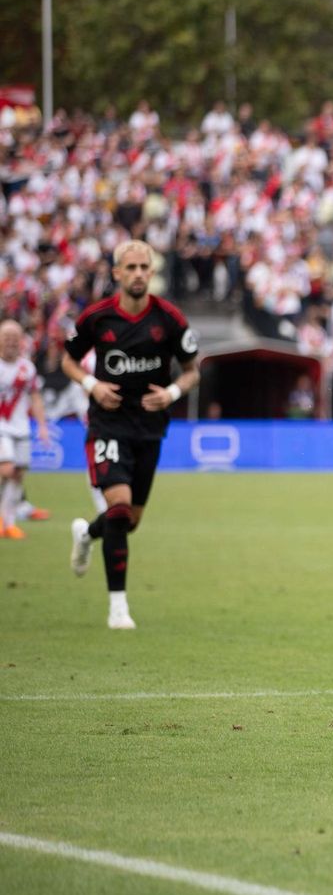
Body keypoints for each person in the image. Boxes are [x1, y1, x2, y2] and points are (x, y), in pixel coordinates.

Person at [61, 240, 200, 629]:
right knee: (119, 509)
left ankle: (88, 534)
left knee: (129, 520)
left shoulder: (169, 319)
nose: (139, 274)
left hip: (150, 429)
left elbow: (192, 370)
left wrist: (172, 393)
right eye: (131, 267)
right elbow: (67, 360)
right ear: (117, 273)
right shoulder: (98, 318)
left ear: (151, 272)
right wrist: (92, 385)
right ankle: (118, 607)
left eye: (145, 267)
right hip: (108, 424)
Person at [0, 320, 54, 539]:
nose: (11, 341)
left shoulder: (27, 368)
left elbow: (35, 398)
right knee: (7, 470)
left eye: (15, 337)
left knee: (18, 474)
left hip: (21, 427)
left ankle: (9, 522)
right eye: (7, 337)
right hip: (1, 428)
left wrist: (42, 426)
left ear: (21, 340)